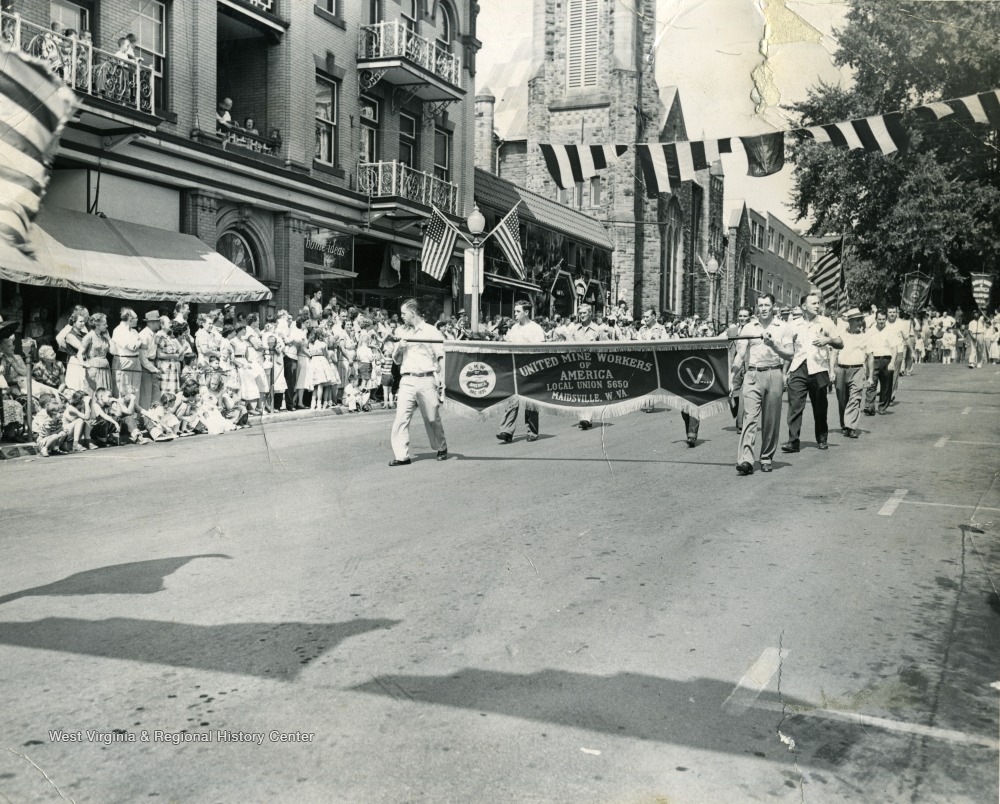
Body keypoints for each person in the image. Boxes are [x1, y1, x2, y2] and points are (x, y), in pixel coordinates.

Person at [734, 293, 795, 475]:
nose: (763, 308)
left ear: (773, 306)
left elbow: (789, 354)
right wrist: (732, 376)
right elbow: (740, 354)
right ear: (756, 307)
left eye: (767, 305)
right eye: (760, 305)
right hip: (752, 374)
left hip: (774, 373)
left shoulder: (783, 327)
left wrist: (774, 345)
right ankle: (746, 460)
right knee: (750, 418)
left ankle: (766, 456)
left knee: (770, 419)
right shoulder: (748, 328)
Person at [389, 298, 448, 466]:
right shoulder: (402, 332)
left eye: (403, 313)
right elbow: (397, 360)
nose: (402, 317)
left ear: (413, 313)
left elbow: (440, 356)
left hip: (426, 379)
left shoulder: (431, 332)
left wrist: (443, 377)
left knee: (431, 418)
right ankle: (402, 456)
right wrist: (400, 348)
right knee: (401, 419)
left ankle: (441, 447)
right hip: (407, 380)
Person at [781, 293, 842, 453]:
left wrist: (828, 340)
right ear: (803, 306)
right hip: (798, 368)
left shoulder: (826, 322)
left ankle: (822, 438)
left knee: (820, 407)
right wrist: (784, 372)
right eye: (813, 303)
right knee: (795, 406)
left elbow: (840, 343)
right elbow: (788, 351)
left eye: (818, 303)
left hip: (818, 369)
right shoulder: (793, 325)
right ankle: (793, 441)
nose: (817, 306)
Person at [497, 299, 546, 443]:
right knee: (512, 398)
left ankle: (532, 431)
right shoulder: (514, 328)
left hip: (531, 367)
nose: (515, 314)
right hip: (515, 367)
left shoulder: (535, 328)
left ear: (526, 312)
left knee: (530, 401)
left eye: (518, 311)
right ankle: (507, 430)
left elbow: (540, 349)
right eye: (515, 311)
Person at [833, 308, 870, 439]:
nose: (860, 322)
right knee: (842, 398)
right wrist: (832, 370)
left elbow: (869, 356)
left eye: (861, 320)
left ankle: (851, 426)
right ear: (850, 321)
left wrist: (869, 376)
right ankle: (844, 424)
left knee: (855, 398)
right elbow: (834, 353)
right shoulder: (841, 335)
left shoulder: (865, 336)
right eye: (857, 320)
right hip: (841, 370)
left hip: (858, 369)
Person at [569, 303, 607, 430]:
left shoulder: (598, 330)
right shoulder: (574, 329)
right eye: (580, 313)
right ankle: (584, 417)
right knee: (580, 390)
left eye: (584, 313)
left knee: (590, 390)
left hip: (593, 365)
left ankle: (586, 418)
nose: (581, 316)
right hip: (578, 364)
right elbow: (569, 346)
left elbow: (606, 346)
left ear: (590, 313)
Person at [864, 310, 896, 416]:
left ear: (886, 319)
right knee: (871, 382)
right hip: (873, 359)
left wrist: (892, 362)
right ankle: (869, 406)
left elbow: (894, 348)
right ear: (876, 319)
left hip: (887, 359)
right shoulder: (870, 331)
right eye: (879, 319)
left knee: (886, 385)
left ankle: (882, 406)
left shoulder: (890, 331)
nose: (881, 321)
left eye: (883, 319)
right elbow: (866, 348)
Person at [111, 307, 142, 398]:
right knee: (123, 390)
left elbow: (142, 346)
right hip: (124, 361)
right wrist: (139, 342)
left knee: (135, 390)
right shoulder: (118, 330)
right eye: (136, 318)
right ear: (130, 319)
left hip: (136, 361)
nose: (137, 320)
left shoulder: (134, 331)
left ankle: (134, 411)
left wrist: (138, 343)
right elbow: (133, 347)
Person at [79, 313, 113, 395]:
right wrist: (83, 363)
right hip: (94, 368)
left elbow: (113, 351)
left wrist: (109, 339)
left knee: (106, 393)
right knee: (96, 393)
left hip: (105, 368)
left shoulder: (103, 336)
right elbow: (79, 353)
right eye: (104, 324)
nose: (107, 326)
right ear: (97, 325)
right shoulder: (89, 336)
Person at [136, 310, 163, 410]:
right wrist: (154, 369)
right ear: (151, 322)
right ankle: (145, 420)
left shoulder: (155, 335)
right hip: (146, 367)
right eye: (157, 321)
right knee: (146, 395)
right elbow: (143, 358)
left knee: (156, 394)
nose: (159, 323)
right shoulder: (144, 335)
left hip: (152, 367)